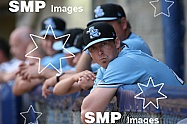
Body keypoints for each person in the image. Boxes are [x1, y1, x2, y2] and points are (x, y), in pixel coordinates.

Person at [78, 22, 183, 124]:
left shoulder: (123, 62)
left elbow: (88, 113)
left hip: (181, 115)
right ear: (90, 54)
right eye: (93, 48)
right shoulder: (104, 68)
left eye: (104, 44)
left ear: (117, 43)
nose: (100, 52)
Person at [76, 3, 152, 73]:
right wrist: (92, 43)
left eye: (106, 24)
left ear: (123, 23)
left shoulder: (133, 44)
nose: (101, 30)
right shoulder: (108, 53)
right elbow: (81, 72)